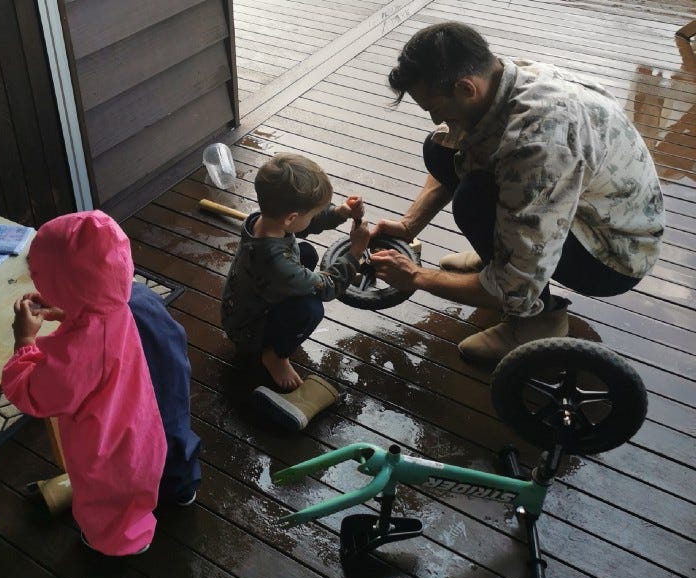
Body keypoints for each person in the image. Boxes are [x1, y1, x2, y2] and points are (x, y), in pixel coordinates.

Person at [370, 22, 665, 360]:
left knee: (472, 201)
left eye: (432, 105)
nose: (433, 115)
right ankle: (496, 256)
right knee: (441, 149)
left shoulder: (539, 143)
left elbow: (516, 288)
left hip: (612, 253)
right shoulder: (503, 75)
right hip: (581, 197)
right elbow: (461, 145)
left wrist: (417, 277)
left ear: (467, 88)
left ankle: (538, 320)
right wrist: (410, 225)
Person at [2, 211, 166, 556]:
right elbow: (95, 312)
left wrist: (24, 342)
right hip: (140, 433)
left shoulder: (79, 351)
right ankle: (135, 529)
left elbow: (33, 394)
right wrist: (68, 309)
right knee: (134, 495)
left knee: (108, 508)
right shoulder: (118, 306)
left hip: (104, 450)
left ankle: (114, 546)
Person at [221, 153, 370, 390]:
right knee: (309, 310)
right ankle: (275, 356)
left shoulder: (264, 222)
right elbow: (328, 286)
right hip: (249, 331)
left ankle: (284, 315)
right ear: (291, 218)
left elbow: (302, 225)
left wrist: (340, 213)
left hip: (250, 301)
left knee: (306, 251)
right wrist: (355, 252)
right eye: (312, 213)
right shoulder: (277, 263)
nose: (313, 218)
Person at [129, 281, 201, 506]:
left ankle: (129, 522)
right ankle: (183, 488)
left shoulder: (97, 320)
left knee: (136, 444)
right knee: (174, 429)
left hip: (135, 394)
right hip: (170, 372)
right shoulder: (141, 294)